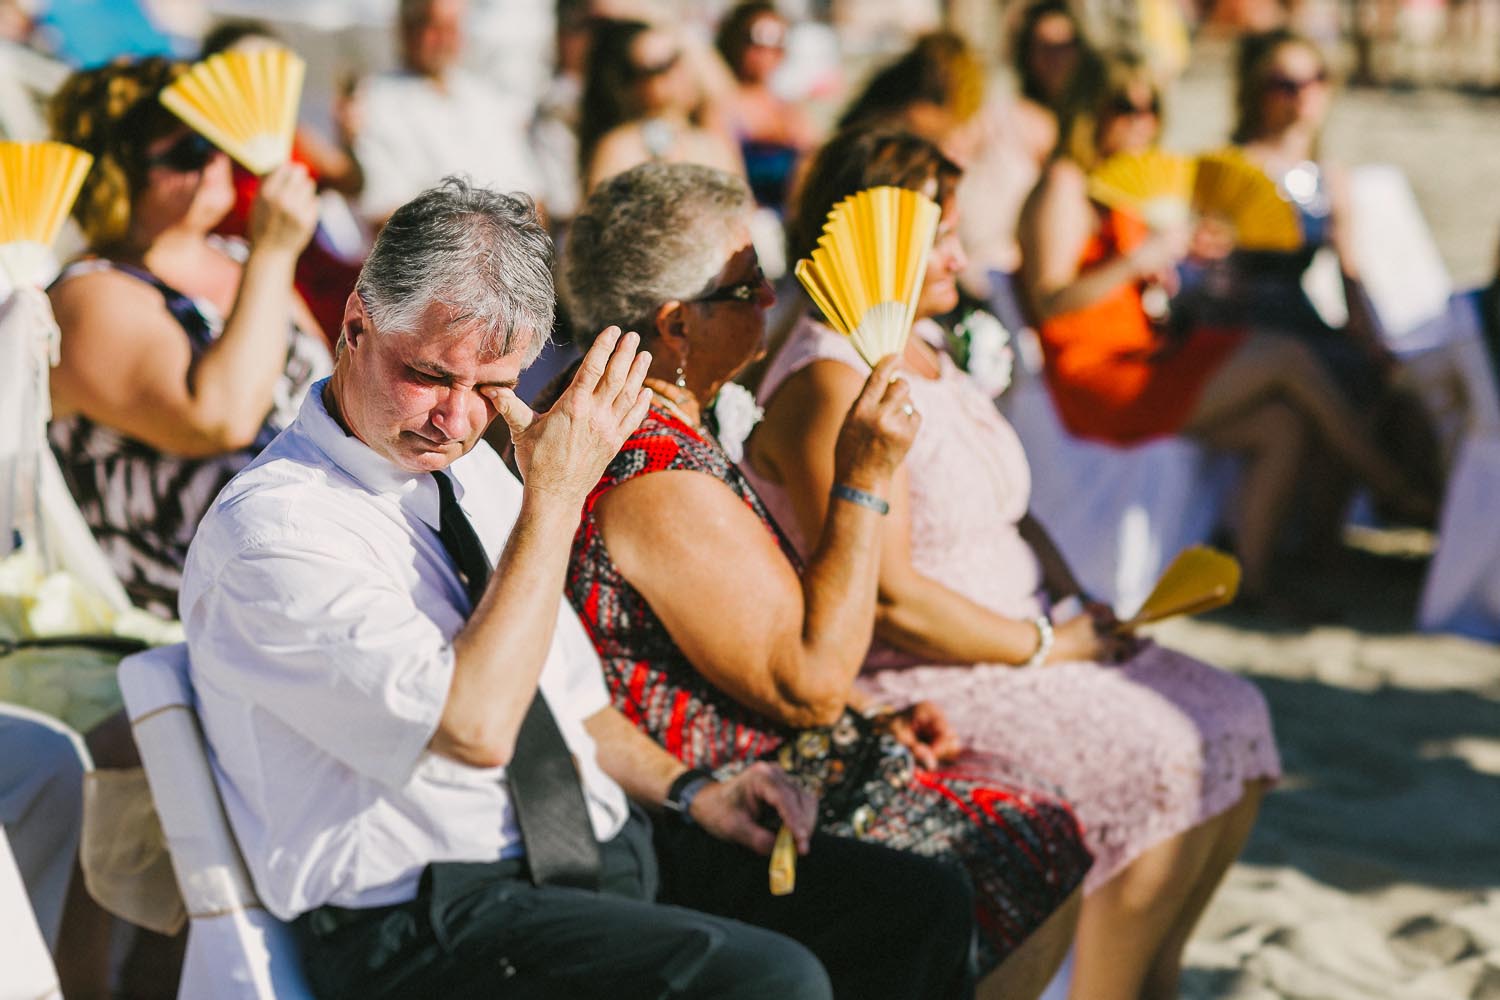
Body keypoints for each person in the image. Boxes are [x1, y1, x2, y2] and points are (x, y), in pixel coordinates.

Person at [180, 177, 978, 1000]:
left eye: (491, 388)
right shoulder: (275, 532)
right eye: (428, 376)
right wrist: (553, 499)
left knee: (919, 905)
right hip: (422, 919)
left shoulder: (463, 474)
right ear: (355, 324)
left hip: (579, 857)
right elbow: (480, 729)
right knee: (772, 981)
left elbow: (574, 708)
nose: (456, 419)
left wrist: (693, 790)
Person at [747, 125, 1281, 1000]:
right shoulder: (831, 381)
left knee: (1234, 712)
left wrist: (1077, 600)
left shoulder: (921, 341)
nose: (963, 252)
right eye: (940, 235)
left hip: (1026, 629)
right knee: (1166, 752)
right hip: (931, 669)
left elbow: (1013, 508)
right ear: (867, 243)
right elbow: (887, 599)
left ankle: (1153, 978)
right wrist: (1046, 645)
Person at [556, 161, 1090, 1000]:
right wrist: (865, 474)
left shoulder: (661, 420)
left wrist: (867, 712)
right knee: (1027, 842)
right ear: (675, 326)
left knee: (1037, 827)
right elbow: (805, 682)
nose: (771, 299)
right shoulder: (652, 473)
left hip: (763, 763)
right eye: (745, 285)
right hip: (718, 808)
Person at [1016, 51, 1431, 603]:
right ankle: (1390, 486)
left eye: (1150, 108)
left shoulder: (1118, 187)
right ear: (1089, 112)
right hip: (1097, 374)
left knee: (1281, 424)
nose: (1141, 121)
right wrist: (1138, 261)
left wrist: (1178, 262)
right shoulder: (1065, 185)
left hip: (1145, 354)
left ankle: (1253, 584)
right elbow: (1052, 303)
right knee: (1288, 358)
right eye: (1124, 107)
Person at [201, 19, 365, 347]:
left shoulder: (291, 138)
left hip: (322, 278)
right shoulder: (201, 160)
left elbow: (349, 180)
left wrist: (348, 136)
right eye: (246, 74)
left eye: (271, 72)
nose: (261, 87)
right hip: (255, 294)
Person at [354, 0, 542, 227]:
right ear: (406, 29)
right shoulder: (375, 101)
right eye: (435, 27)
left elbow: (532, 197)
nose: (445, 38)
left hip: (509, 249)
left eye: (452, 27)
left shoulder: (484, 97)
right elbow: (386, 214)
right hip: (438, 255)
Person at [579, 18, 743, 194]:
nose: (679, 72)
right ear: (633, 85)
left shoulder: (712, 144)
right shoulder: (620, 148)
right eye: (663, 66)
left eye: (679, 58)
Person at [715, 2, 817, 213]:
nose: (767, 53)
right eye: (756, 41)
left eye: (778, 43)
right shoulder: (721, 107)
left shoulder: (791, 108)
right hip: (746, 221)